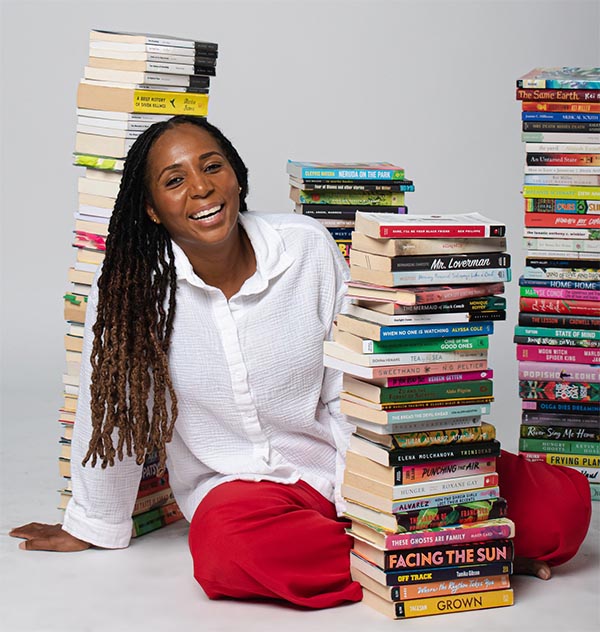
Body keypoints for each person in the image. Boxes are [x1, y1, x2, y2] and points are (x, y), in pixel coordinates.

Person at [10, 115, 592, 608]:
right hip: (245, 488)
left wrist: (379, 486)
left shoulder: (307, 247)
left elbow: (351, 378)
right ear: (153, 210)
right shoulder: (129, 294)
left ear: (237, 175)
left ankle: (428, 546)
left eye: (213, 167)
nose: (201, 189)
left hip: (356, 454)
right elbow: (111, 410)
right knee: (225, 554)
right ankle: (448, 559)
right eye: (174, 180)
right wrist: (93, 524)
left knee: (562, 511)